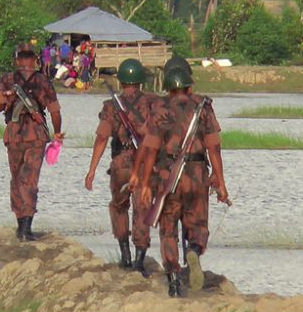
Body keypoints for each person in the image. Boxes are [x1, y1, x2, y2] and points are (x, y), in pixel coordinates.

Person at [130, 68, 229, 298]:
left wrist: (145, 183)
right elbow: (214, 146)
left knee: (168, 228)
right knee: (198, 224)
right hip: (197, 174)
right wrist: (220, 181)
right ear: (189, 87)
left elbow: (151, 148)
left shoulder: (160, 109)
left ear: (167, 89)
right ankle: (194, 250)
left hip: (168, 176)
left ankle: (173, 281)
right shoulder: (203, 107)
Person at [84, 59, 156, 274]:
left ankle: (125, 255)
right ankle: (139, 260)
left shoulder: (111, 106)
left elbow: (102, 138)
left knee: (118, 207)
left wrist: (92, 170)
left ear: (122, 81)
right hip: (146, 166)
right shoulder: (154, 103)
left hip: (120, 165)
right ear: (141, 81)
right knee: (143, 209)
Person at [0, 45, 64, 241]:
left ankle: (20, 225)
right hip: (36, 135)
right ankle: (26, 228)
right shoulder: (43, 81)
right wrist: (57, 133)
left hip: (13, 134)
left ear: (17, 60)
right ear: (35, 59)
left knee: (16, 178)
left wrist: (8, 98)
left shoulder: (7, 79)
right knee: (30, 180)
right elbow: (55, 111)